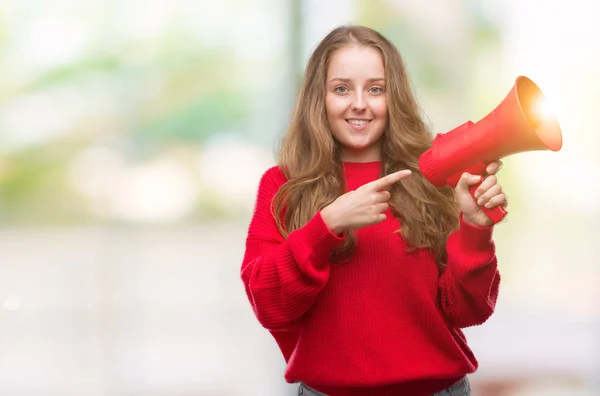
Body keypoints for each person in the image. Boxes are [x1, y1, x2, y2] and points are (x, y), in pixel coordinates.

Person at [240, 25, 507, 396]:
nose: (360, 103)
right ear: (319, 97)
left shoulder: (431, 175)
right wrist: (326, 226)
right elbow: (269, 305)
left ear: (393, 97)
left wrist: (476, 230)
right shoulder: (282, 185)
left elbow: (468, 311)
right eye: (342, 88)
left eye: (376, 89)